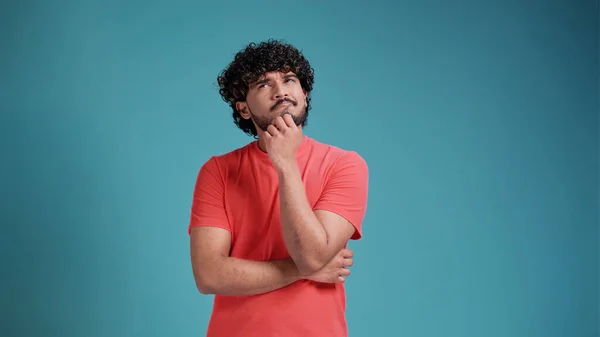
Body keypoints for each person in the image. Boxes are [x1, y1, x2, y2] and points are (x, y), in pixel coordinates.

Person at [188, 39, 369, 337]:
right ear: (244, 109)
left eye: (289, 79)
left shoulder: (345, 165)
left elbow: (311, 254)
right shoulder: (218, 171)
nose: (281, 90)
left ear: (305, 95)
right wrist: (302, 271)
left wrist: (285, 163)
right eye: (263, 84)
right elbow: (209, 275)